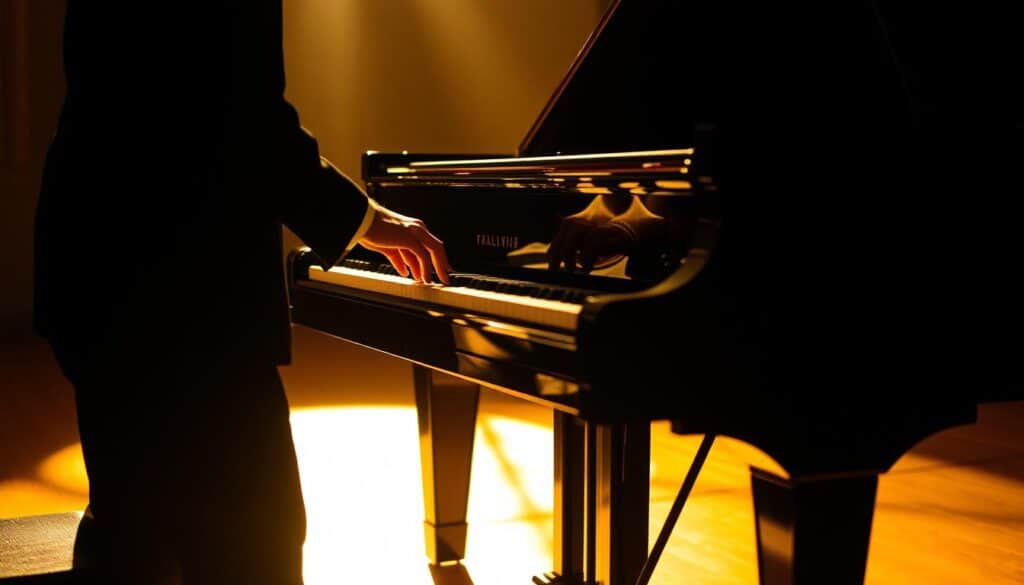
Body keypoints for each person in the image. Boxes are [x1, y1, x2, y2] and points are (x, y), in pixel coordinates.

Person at [33, 1, 450, 583]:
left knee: (141, 525)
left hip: (103, 262)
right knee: (258, 537)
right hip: (179, 291)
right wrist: (364, 218)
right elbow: (245, 117)